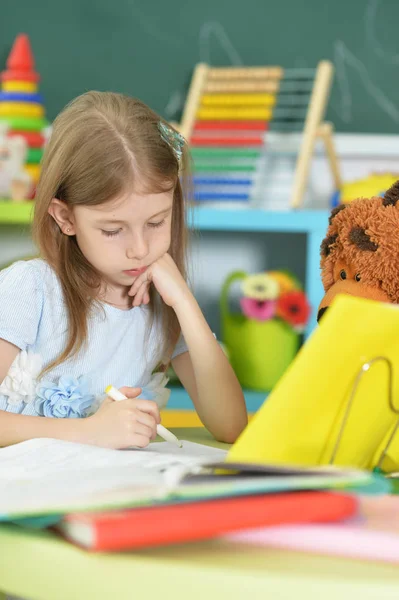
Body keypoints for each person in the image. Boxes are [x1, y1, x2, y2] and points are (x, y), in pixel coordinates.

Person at [0, 91, 247, 449]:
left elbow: (231, 426)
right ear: (66, 217)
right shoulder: (30, 290)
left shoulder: (162, 301)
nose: (140, 249)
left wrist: (185, 304)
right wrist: (89, 433)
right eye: (113, 230)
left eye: (157, 222)